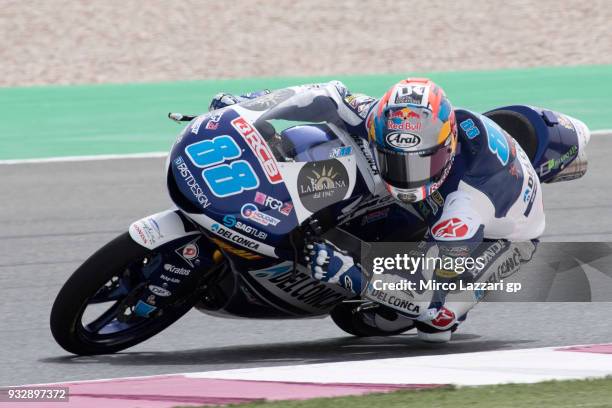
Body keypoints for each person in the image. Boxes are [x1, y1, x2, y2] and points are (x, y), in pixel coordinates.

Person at [210, 78, 545, 342]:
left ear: (446, 149)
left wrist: (351, 275)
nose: (407, 175)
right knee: (323, 140)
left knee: (437, 325)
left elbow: (427, 293)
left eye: (419, 163)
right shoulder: (379, 118)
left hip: (505, 237)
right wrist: (250, 106)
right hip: (449, 192)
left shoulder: (466, 208)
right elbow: (325, 96)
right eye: (394, 161)